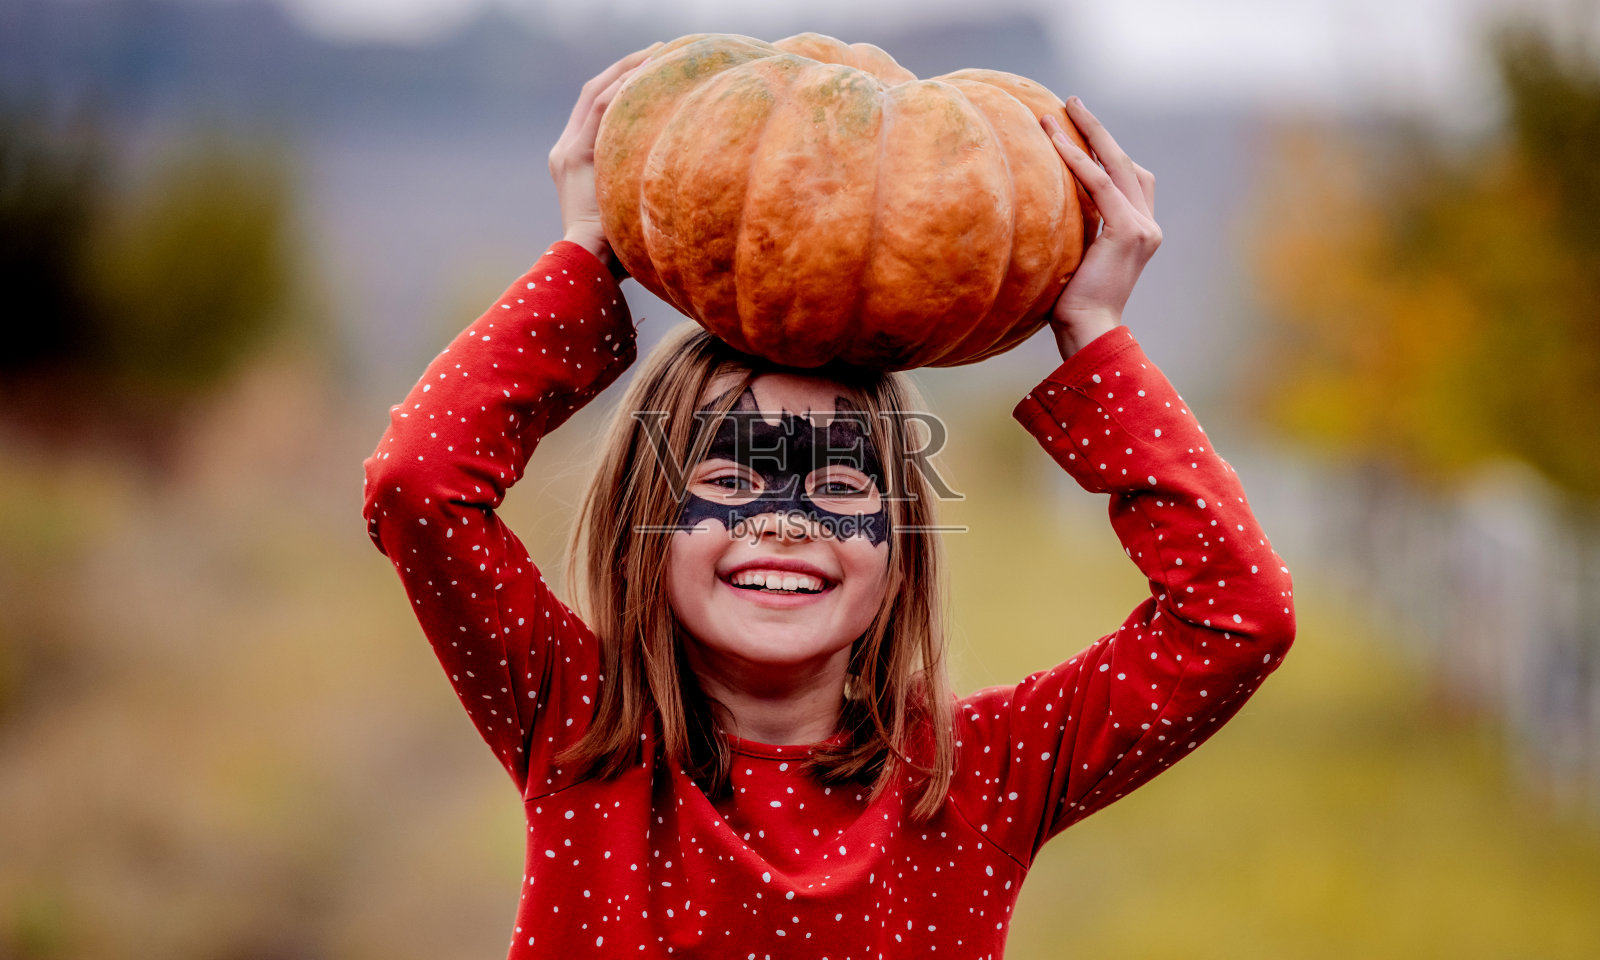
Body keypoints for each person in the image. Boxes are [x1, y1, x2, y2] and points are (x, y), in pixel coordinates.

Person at [362, 45, 1295, 959]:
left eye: (844, 486)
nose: (784, 519)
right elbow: (417, 484)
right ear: (643, 527)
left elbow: (1237, 616)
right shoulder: (573, 721)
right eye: (727, 479)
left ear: (902, 550)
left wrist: (1092, 333)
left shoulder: (983, 780)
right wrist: (587, 254)